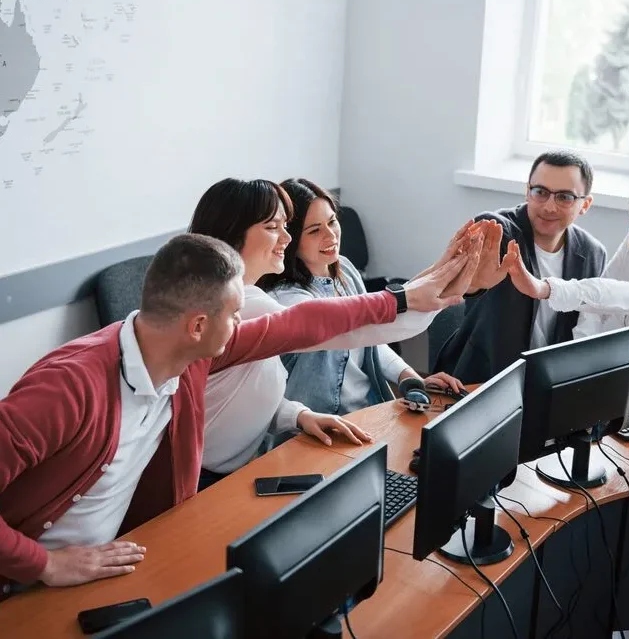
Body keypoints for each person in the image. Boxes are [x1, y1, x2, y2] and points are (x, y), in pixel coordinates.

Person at [0, 232, 478, 594]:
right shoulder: (67, 387)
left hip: (117, 559)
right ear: (198, 325)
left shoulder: (187, 354)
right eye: (235, 313)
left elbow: (297, 324)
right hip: (26, 580)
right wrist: (44, 564)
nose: (241, 323)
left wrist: (401, 299)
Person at [188, 178, 482, 487]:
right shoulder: (247, 307)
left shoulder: (248, 299)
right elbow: (344, 327)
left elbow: (244, 390)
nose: (286, 237)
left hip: (236, 467)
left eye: (286, 226)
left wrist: (297, 415)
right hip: (204, 478)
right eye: (273, 227)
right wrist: (440, 283)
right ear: (234, 236)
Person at [262, 178, 469, 416]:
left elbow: (370, 338)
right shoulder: (285, 299)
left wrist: (410, 378)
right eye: (314, 230)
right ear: (292, 239)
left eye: (332, 222)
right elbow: (362, 331)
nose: (331, 236)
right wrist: (436, 289)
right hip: (316, 428)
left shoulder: (345, 270)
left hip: (366, 412)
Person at [432, 150, 607, 384]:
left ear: (585, 204)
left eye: (564, 197)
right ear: (527, 191)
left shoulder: (592, 253)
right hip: (482, 379)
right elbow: (457, 289)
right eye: (540, 192)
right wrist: (470, 286)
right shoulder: (495, 230)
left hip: (548, 384)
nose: (549, 207)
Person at [505, 171, 629, 376]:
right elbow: (597, 308)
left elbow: (627, 294)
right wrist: (577, 364)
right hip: (624, 372)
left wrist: (545, 288)